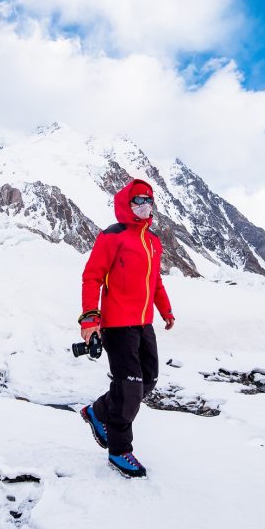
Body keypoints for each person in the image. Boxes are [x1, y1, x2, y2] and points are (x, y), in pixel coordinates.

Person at [78, 179, 175, 478]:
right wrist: (90, 320)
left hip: (144, 323)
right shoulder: (112, 236)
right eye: (138, 200)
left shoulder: (153, 242)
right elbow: (92, 277)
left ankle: (98, 411)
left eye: (148, 200)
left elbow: (154, 282)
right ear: (126, 203)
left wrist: (166, 310)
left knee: (149, 380)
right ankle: (119, 451)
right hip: (117, 326)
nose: (144, 205)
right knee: (130, 388)